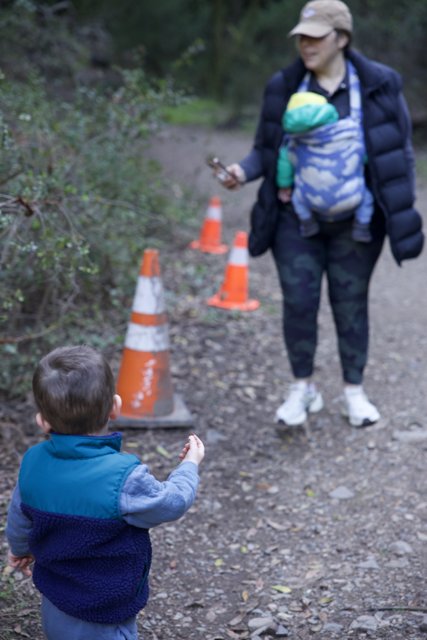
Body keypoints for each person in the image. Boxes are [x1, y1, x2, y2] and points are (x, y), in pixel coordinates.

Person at [217, 0, 423, 428]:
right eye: (301, 37)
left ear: (342, 39)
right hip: (296, 219)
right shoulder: (283, 86)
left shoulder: (380, 84)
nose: (305, 44)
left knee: (350, 304)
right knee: (298, 303)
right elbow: (265, 148)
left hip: (359, 221)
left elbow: (400, 149)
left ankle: (354, 393)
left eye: (315, 36)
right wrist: (241, 171)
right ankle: (302, 389)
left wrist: (403, 206)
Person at [5, 345, 205, 640]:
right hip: (106, 610)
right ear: (115, 407)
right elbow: (171, 503)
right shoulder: (123, 478)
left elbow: (19, 518)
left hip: (56, 598)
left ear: (42, 420)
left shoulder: (32, 463)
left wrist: (20, 549)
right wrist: (189, 466)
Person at [277, 90, 374, 242]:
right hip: (351, 198)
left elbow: (284, 164)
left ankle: (307, 223)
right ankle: (362, 226)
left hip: (309, 199)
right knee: (366, 199)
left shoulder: (293, 142)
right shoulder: (349, 133)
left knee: (296, 198)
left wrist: (284, 186)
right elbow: (364, 156)